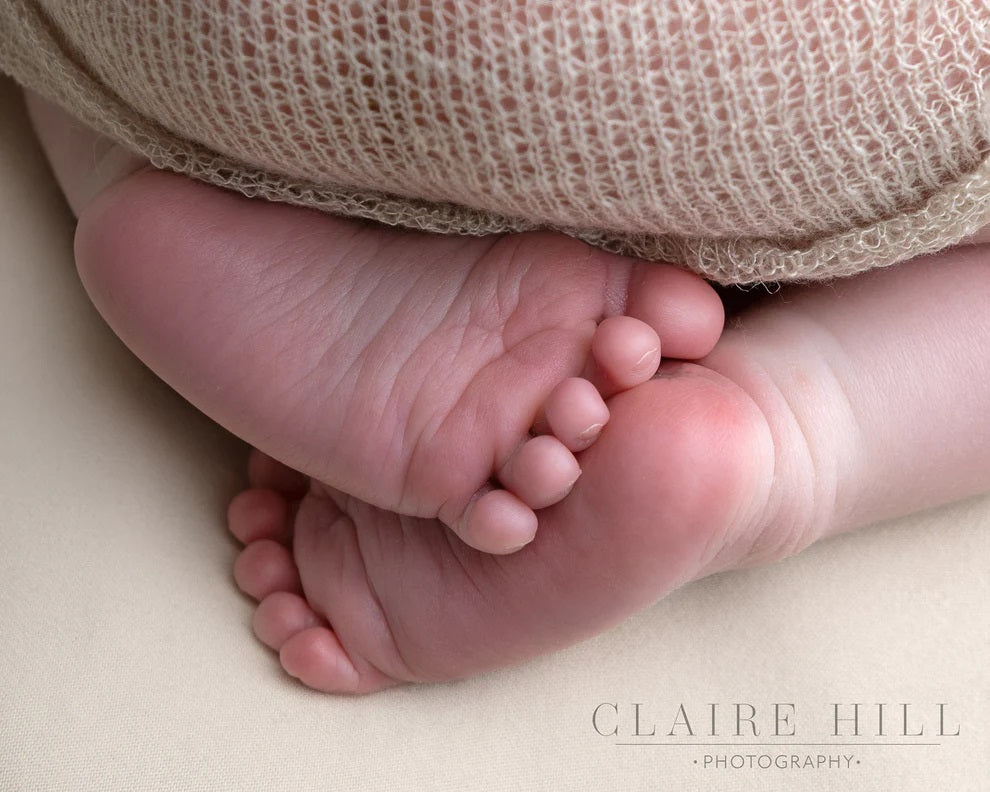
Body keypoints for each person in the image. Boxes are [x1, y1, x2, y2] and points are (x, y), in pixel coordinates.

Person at [12, 1, 990, 694]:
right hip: (813, 79)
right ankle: (806, 427)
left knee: (63, 47)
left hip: (219, 43)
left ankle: (138, 168)